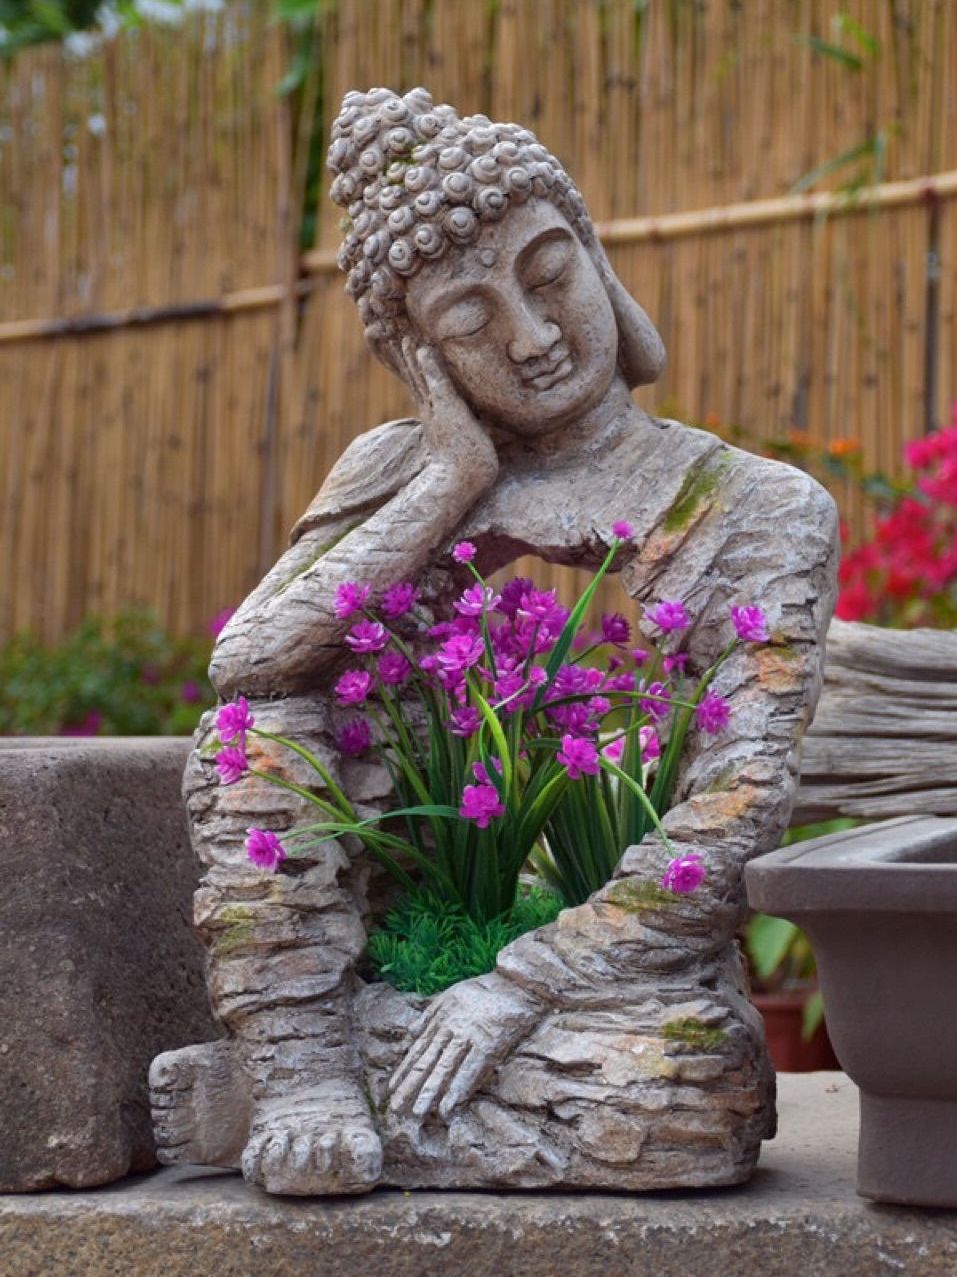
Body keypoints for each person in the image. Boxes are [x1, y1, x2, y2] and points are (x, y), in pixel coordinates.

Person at [156, 87, 839, 1195]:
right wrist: (449, 485)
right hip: (395, 925)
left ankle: (269, 1096)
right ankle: (305, 1072)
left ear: (596, 249)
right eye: (467, 321)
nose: (529, 338)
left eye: (547, 270)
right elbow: (245, 666)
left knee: (694, 1097)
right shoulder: (399, 481)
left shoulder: (758, 507)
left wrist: (520, 981)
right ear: (417, 358)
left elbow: (731, 809)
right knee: (256, 732)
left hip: (600, 971)